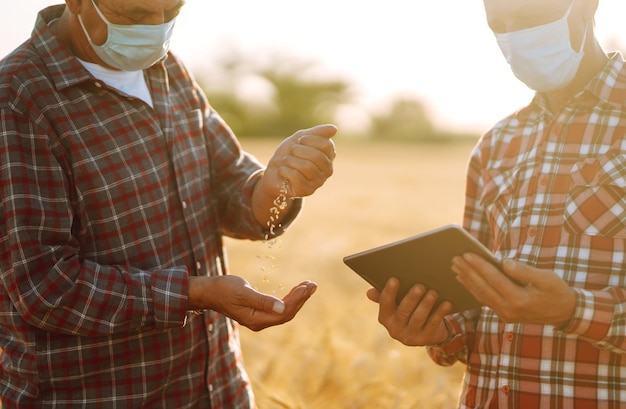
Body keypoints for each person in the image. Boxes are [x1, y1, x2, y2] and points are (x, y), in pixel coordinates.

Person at [0, 1, 337, 408]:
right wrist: (195, 294)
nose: (156, 29)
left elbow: (230, 189)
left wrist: (277, 184)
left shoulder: (168, 70)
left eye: (171, 10)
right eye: (136, 15)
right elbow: (44, 285)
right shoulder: (17, 98)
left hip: (216, 388)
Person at [367, 0, 626, 407]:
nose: (514, 37)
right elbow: (475, 308)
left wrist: (574, 310)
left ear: (585, 7)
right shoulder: (497, 144)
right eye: (498, 24)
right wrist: (439, 329)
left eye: (529, 18)